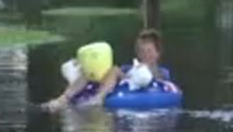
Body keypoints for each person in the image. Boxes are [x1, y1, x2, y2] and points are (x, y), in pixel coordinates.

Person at [43, 29, 174, 111]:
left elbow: (160, 80)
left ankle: (99, 98)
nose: (145, 55)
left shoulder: (162, 71)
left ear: (158, 53)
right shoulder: (129, 67)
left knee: (116, 69)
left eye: (149, 51)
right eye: (141, 51)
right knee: (93, 71)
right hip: (122, 86)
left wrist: (147, 70)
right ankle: (62, 100)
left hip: (140, 89)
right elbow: (113, 75)